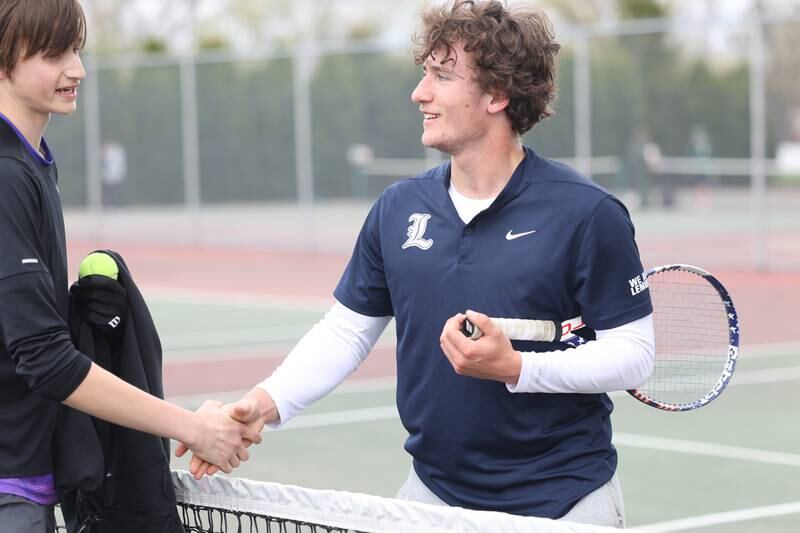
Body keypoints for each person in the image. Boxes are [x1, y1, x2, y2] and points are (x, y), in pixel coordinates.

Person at [183, 0, 654, 527]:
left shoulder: (587, 213)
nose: (420, 93)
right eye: (424, 73)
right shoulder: (398, 209)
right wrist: (260, 406)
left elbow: (634, 355)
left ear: (498, 94)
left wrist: (519, 368)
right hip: (432, 496)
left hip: (562, 503)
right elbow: (346, 332)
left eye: (442, 76)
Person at [0, 2, 260, 531]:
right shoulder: (5, 176)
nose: (77, 69)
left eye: (77, 50)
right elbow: (45, 360)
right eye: (54, 53)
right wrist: (192, 427)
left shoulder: (31, 163)